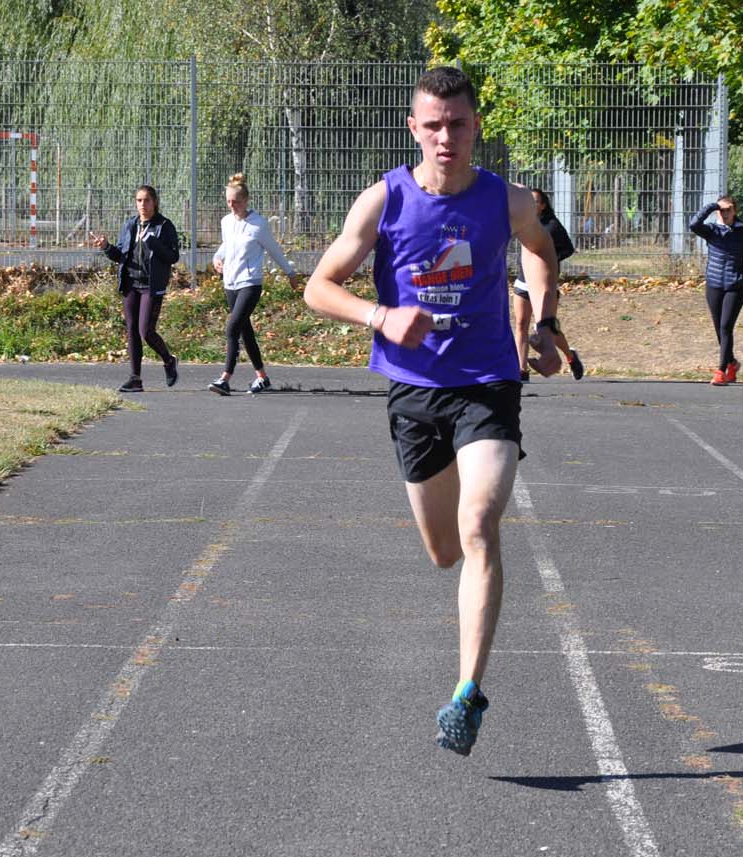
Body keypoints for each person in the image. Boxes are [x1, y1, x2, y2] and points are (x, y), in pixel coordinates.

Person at [304, 66, 561, 757]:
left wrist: (542, 324)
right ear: (413, 128)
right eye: (434, 125)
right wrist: (380, 316)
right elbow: (319, 288)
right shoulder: (382, 201)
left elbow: (540, 252)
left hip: (486, 385)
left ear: (477, 126)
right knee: (444, 551)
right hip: (413, 392)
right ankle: (465, 671)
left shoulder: (505, 200)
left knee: (480, 523)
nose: (446, 137)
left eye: (459, 124)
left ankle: (466, 694)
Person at [208, 172, 303, 395]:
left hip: (250, 283)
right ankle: (262, 377)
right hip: (230, 283)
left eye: (237, 202)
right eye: (229, 202)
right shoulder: (226, 222)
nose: (233, 206)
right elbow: (226, 245)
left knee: (232, 328)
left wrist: (290, 273)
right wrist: (216, 258)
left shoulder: (258, 224)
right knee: (244, 331)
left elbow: (274, 249)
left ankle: (225, 378)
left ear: (246, 200)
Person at [91, 185, 180, 392]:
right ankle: (135, 378)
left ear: (155, 202)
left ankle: (168, 361)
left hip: (152, 285)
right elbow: (120, 255)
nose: (143, 205)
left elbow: (173, 256)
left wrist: (153, 243)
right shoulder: (131, 224)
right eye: (139, 200)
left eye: (147, 200)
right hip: (131, 283)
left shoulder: (164, 226)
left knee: (146, 331)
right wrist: (106, 247)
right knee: (131, 330)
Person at [513, 188, 584, 381]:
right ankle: (522, 370)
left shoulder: (551, 226)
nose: (531, 205)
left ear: (543, 206)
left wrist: (548, 259)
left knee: (545, 328)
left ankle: (570, 356)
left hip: (543, 284)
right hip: (522, 281)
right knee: (520, 324)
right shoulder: (523, 223)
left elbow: (568, 249)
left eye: (535, 202)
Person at [689, 194, 743, 385]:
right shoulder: (712, 231)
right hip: (713, 285)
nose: (725, 213)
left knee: (726, 327)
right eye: (722, 210)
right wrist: (712, 207)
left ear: (735, 211)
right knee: (719, 329)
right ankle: (732, 363)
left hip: (734, 287)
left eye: (728, 209)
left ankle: (721, 371)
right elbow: (693, 224)